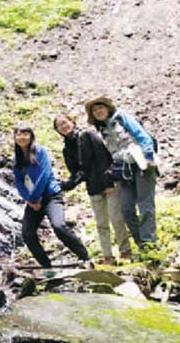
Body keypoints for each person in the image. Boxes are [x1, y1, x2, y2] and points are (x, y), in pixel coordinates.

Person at [54, 113, 132, 264]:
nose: (64, 126)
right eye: (59, 126)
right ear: (57, 130)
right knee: (101, 223)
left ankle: (126, 252)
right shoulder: (67, 149)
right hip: (93, 186)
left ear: (72, 121)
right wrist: (62, 185)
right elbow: (77, 173)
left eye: (65, 122)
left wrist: (109, 182)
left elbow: (104, 157)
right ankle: (107, 256)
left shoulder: (88, 135)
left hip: (107, 183)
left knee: (116, 218)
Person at [12, 125, 91, 269]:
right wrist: (30, 200)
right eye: (18, 134)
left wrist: (35, 197)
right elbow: (18, 182)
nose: (22, 137)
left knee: (59, 226)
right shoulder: (16, 159)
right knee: (27, 234)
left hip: (51, 196)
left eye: (25, 133)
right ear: (15, 138)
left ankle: (85, 257)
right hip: (33, 201)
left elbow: (44, 175)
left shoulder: (40, 152)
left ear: (31, 136)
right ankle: (46, 266)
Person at [85, 96, 158, 247]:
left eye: (100, 107)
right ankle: (141, 243)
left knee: (145, 205)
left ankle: (150, 244)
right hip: (123, 170)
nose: (98, 111)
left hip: (142, 162)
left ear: (107, 108)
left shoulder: (122, 116)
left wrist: (149, 157)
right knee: (125, 209)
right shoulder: (103, 130)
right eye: (94, 110)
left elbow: (142, 135)